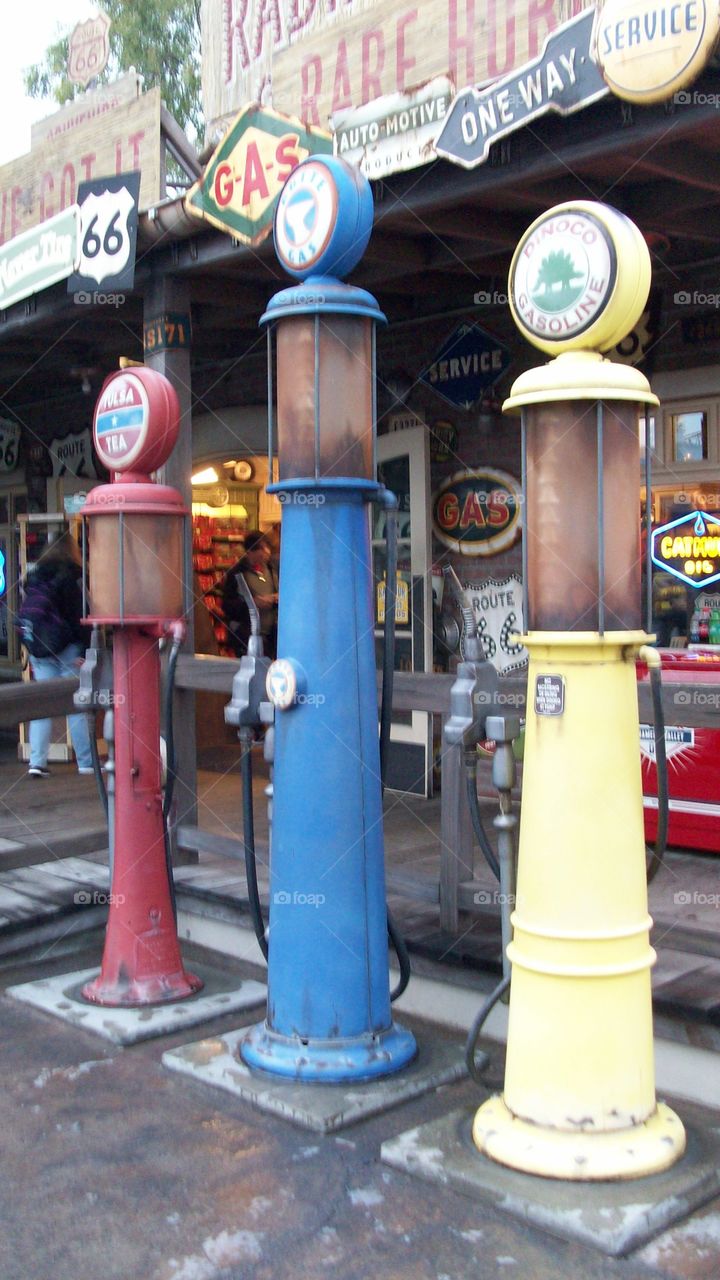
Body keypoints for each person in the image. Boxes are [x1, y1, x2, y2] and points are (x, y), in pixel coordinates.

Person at [19, 532, 95, 778]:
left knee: (44, 704)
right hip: (67, 647)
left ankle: (37, 762)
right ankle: (85, 762)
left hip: (39, 647)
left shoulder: (32, 576)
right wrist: (86, 650)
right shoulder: (73, 576)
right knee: (76, 704)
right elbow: (80, 616)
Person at [222, 530, 279, 659]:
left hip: (270, 636)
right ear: (250, 551)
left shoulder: (271, 570)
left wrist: (276, 598)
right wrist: (252, 603)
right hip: (246, 636)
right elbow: (227, 606)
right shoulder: (235, 574)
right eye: (263, 550)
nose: (268, 553)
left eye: (268, 549)